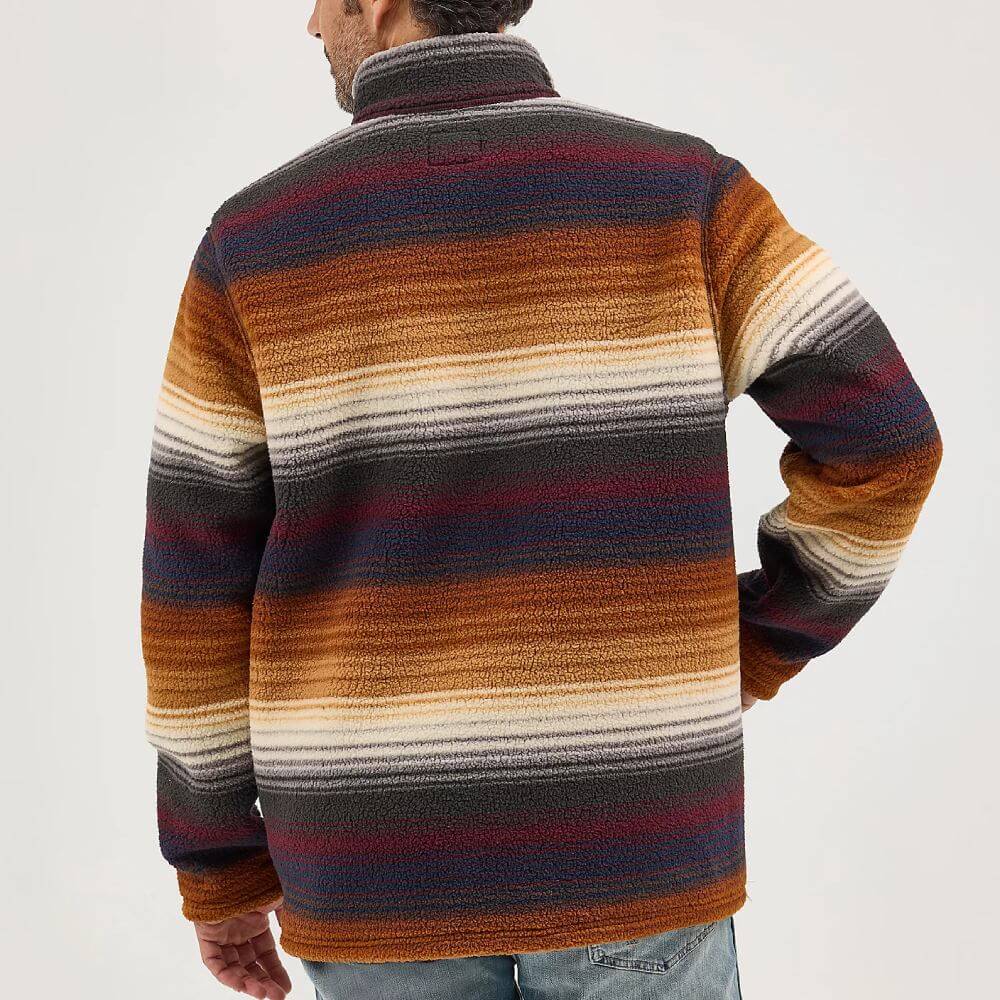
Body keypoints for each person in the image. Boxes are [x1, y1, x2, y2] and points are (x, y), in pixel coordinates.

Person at [139, 2, 944, 998]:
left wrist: (217, 868)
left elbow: (194, 590)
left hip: (376, 870)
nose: (310, 23)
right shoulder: (686, 195)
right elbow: (887, 444)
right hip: (635, 841)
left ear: (379, 6)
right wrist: (753, 646)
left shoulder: (256, 243)